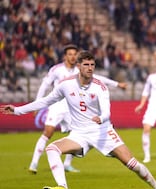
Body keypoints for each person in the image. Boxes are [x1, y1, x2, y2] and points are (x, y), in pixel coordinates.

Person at [0, 50, 156, 189]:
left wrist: (101, 118)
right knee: (52, 148)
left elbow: (107, 112)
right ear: (79, 66)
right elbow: (45, 101)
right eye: (86, 64)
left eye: (92, 65)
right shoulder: (65, 85)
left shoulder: (100, 87)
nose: (90, 68)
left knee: (132, 164)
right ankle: (63, 188)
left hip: (103, 132)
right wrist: (16, 110)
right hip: (80, 134)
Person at [29, 44, 127, 174]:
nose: (72, 56)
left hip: (72, 107)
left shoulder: (79, 70)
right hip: (57, 106)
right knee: (48, 132)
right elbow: (44, 85)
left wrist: (117, 84)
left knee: (76, 135)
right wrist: (37, 103)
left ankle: (67, 164)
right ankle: (34, 164)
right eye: (70, 54)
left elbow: (98, 78)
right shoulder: (56, 70)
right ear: (65, 56)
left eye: (75, 54)